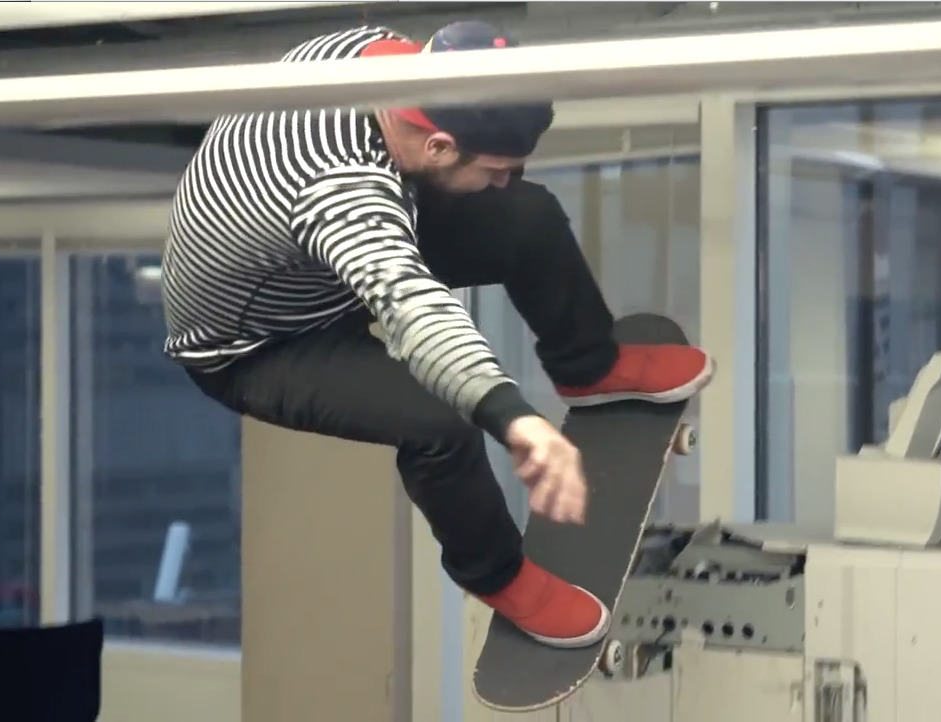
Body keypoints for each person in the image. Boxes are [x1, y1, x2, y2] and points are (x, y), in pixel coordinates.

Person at [161, 21, 714, 649]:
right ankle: (498, 575)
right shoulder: (341, 192)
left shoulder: (381, 54)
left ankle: (588, 366)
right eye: (498, 168)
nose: (506, 177)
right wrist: (518, 421)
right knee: (437, 421)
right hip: (258, 344)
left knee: (526, 216)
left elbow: (442, 227)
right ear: (439, 147)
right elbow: (416, 310)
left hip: (309, 258)